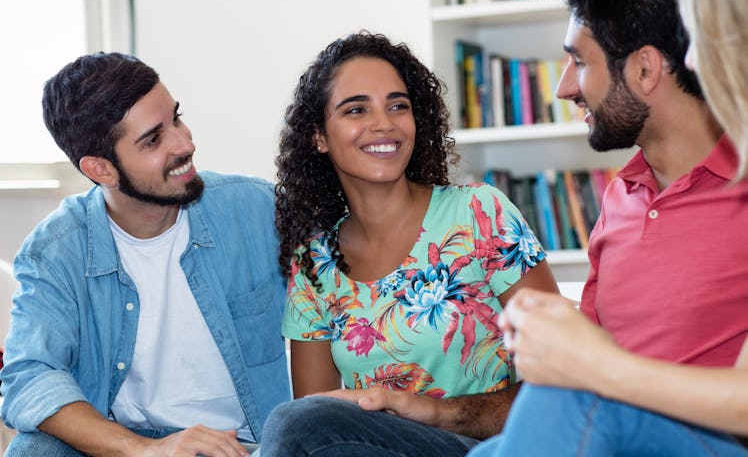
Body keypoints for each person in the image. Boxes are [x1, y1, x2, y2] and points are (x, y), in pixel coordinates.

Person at [467, 0, 748, 455]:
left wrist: (594, 366)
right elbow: (585, 358)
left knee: (569, 404)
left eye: (578, 61)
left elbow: (591, 377)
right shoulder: (620, 198)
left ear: (644, 70)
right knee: (320, 427)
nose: (563, 89)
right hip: (608, 429)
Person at [259, 32, 559, 456]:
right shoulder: (314, 265)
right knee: (297, 422)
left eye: (398, 105)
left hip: (497, 448)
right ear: (319, 137)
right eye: (356, 109)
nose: (384, 123)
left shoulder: (479, 214)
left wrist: (425, 411)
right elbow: (317, 423)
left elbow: (561, 383)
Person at [0, 52, 290, 456]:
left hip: (244, 445)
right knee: (35, 450)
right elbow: (28, 375)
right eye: (154, 139)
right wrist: (144, 450)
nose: (185, 143)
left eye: (177, 118)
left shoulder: (255, 209)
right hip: (128, 441)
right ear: (101, 170)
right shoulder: (56, 251)